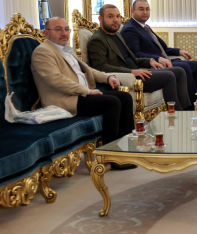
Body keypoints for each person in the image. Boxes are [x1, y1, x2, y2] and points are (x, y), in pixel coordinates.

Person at [31, 17, 135, 170]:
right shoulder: (43, 52)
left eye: (66, 29)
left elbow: (88, 70)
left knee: (125, 97)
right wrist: (87, 91)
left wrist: (108, 78)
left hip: (80, 95)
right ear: (46, 33)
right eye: (58, 29)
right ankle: (109, 157)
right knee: (112, 103)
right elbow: (56, 80)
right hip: (64, 100)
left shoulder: (66, 49)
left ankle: (125, 150)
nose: (64, 33)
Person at [120, 0, 197, 111]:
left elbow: (162, 48)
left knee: (196, 65)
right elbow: (134, 54)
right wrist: (157, 58)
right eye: (141, 9)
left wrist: (178, 51)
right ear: (133, 11)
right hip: (153, 65)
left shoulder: (144, 27)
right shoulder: (130, 29)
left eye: (147, 9)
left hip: (165, 60)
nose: (145, 12)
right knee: (185, 67)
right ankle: (190, 106)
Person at [87, 4, 193, 111]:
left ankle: (187, 110)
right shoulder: (98, 40)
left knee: (179, 71)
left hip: (138, 72)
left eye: (118, 16)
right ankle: (175, 113)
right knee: (168, 76)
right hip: (128, 77)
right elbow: (100, 67)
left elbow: (131, 58)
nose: (116, 20)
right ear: (100, 19)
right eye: (110, 16)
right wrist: (132, 71)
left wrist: (149, 61)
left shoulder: (117, 35)